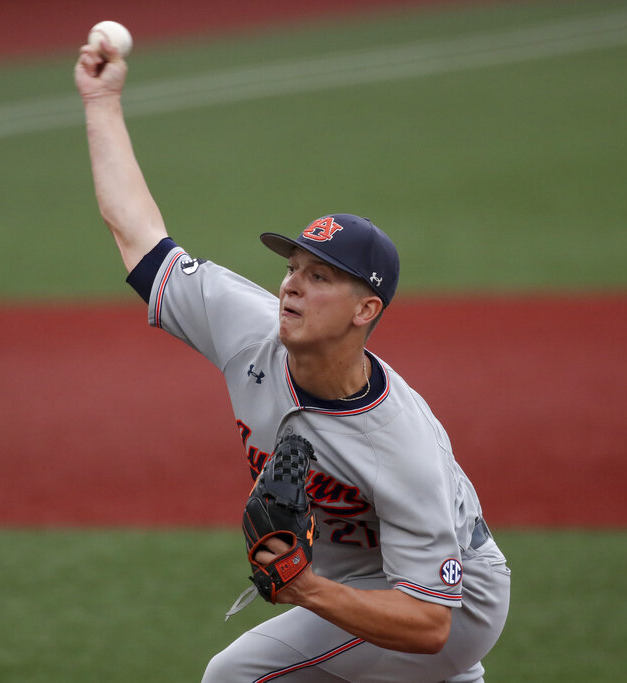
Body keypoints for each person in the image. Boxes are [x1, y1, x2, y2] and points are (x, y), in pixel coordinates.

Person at [75, 38, 510, 683]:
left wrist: (304, 587)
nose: (291, 286)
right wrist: (102, 101)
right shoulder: (250, 330)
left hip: (453, 598)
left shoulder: (399, 444)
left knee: (235, 677)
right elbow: (136, 231)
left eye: (320, 277)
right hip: (367, 581)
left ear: (366, 310)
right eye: (293, 268)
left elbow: (431, 624)